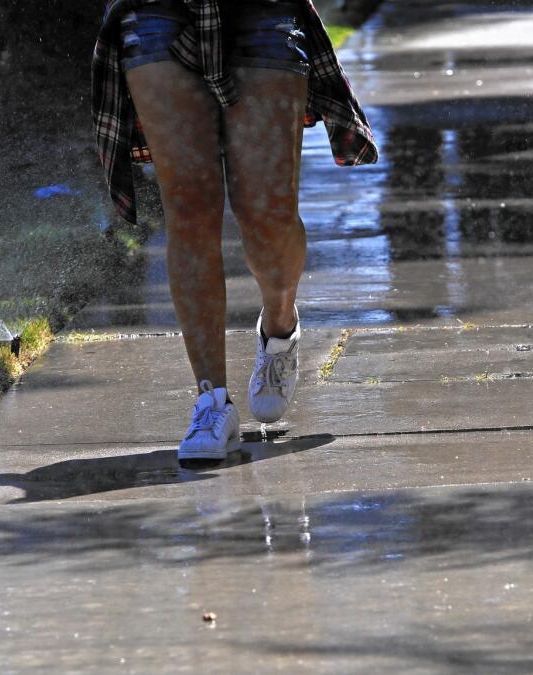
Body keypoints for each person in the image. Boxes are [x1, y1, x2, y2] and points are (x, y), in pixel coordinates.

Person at [91, 0, 378, 463]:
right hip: (155, 9)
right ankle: (211, 403)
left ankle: (280, 326)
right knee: (189, 205)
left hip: (263, 8)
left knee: (268, 213)